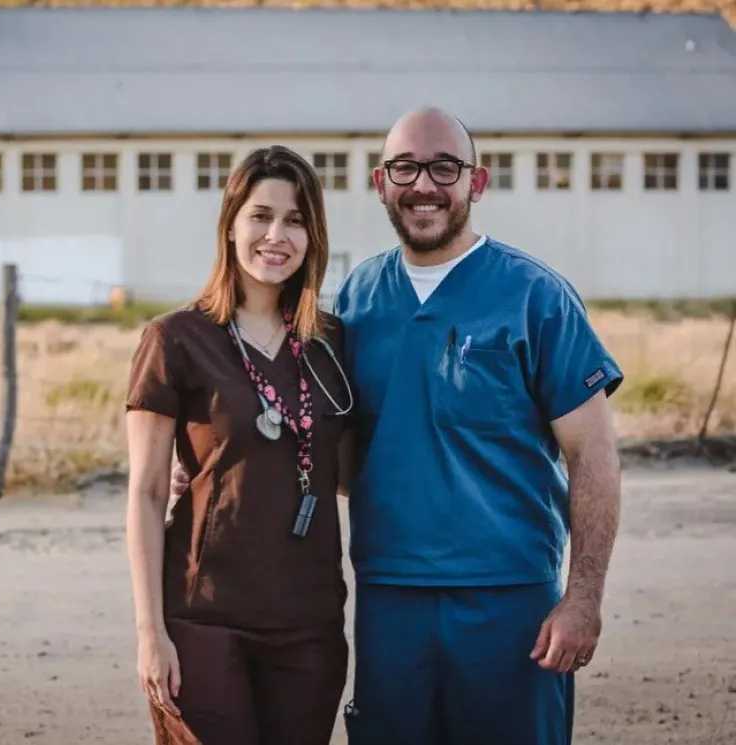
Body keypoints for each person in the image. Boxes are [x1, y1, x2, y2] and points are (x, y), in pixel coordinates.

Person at [334, 107, 625, 745]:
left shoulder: (536, 296)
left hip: (510, 599)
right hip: (390, 595)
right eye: (405, 167)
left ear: (477, 182)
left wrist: (582, 599)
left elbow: (594, 457)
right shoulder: (355, 300)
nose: (424, 184)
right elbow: (335, 448)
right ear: (381, 182)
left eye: (445, 167)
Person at [123, 144, 355, 745]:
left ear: (314, 237)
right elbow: (147, 494)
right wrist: (151, 634)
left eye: (296, 220)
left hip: (310, 625)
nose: (277, 235)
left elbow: (351, 474)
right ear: (230, 225)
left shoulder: (335, 345)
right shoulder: (175, 340)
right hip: (203, 620)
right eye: (261, 215)